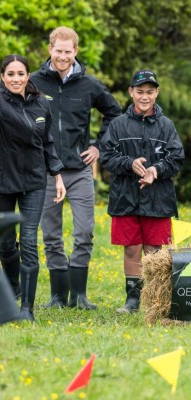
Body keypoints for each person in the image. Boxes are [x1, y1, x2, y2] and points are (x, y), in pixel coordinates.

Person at [0, 54, 66, 322]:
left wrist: (57, 175)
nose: (16, 79)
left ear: (28, 76)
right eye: (10, 74)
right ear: (2, 77)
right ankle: (11, 288)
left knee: (29, 242)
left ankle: (27, 308)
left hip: (34, 181)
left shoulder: (40, 104)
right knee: (6, 241)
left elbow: (47, 143)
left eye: (20, 74)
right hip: (2, 182)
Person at [30, 27, 122, 309]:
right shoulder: (33, 82)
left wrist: (98, 147)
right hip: (45, 171)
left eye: (68, 52)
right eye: (58, 51)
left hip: (79, 170)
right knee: (52, 235)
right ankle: (58, 296)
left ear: (76, 51)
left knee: (84, 232)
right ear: (50, 49)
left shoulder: (90, 85)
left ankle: (79, 295)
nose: (63, 56)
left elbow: (114, 113)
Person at [99, 69, 185, 314]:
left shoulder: (166, 125)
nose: (144, 96)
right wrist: (129, 164)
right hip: (125, 196)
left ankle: (156, 300)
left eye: (150, 92)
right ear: (131, 92)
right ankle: (132, 300)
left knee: (154, 251)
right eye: (140, 92)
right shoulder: (118, 124)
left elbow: (177, 157)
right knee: (132, 248)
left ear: (156, 92)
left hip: (158, 198)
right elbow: (106, 156)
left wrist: (155, 170)